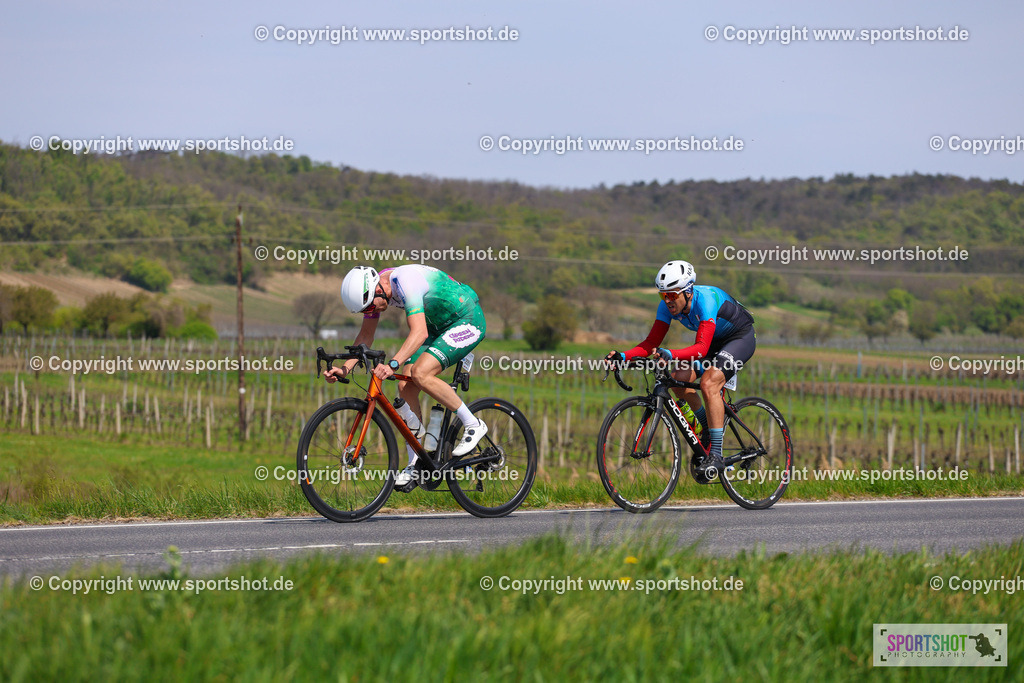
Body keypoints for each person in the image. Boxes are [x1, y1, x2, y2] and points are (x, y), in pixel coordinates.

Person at [326, 264, 488, 487]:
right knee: (406, 385)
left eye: (370, 307)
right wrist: (344, 368)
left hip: (466, 320)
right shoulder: (373, 293)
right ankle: (415, 464)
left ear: (378, 290)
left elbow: (419, 332)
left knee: (421, 373)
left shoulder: (406, 280)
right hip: (437, 327)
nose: (371, 312)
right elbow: (365, 335)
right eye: (365, 311)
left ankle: (473, 424)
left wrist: (393, 364)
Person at [604, 260, 756, 477]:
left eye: (672, 295)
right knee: (679, 378)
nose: (667, 300)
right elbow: (650, 343)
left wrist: (671, 353)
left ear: (688, 291)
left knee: (709, 383)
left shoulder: (705, 301)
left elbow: (701, 349)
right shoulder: (667, 306)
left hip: (740, 338)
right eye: (662, 295)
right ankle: (705, 430)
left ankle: (716, 453)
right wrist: (623, 356)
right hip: (714, 343)